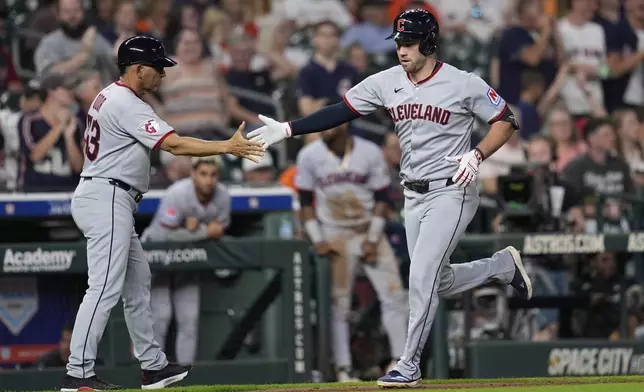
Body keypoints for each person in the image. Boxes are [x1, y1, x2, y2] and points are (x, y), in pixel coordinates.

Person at [248, 9, 532, 387]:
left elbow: (505, 119)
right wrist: (288, 128)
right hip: (412, 195)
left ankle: (409, 365)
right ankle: (501, 268)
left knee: (420, 277)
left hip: (453, 189)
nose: (401, 49)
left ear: (429, 42)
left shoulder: (461, 83)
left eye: (409, 42)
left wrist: (477, 154)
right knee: (437, 281)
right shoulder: (386, 81)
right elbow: (340, 111)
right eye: (398, 42)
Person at [61, 36, 262, 391]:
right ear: (138, 70)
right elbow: (175, 144)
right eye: (158, 68)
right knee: (104, 287)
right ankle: (77, 372)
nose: (163, 75)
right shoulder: (127, 103)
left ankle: (153, 366)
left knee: (137, 284)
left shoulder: (110, 94)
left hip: (109, 194)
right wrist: (227, 147)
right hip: (107, 195)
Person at [295, 123, 408, 382]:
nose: (322, 127)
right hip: (336, 233)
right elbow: (305, 201)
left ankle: (401, 361)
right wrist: (317, 237)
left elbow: (383, 198)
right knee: (340, 305)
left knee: (394, 296)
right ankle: (344, 368)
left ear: (343, 124)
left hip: (369, 229)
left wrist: (371, 237)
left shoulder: (368, 151)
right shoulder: (309, 155)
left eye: (328, 121)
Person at [141, 156, 231, 367]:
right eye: (203, 174)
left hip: (188, 258)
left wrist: (196, 231)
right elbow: (167, 237)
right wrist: (202, 231)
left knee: (189, 319)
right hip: (157, 257)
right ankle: (153, 373)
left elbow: (219, 231)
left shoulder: (223, 196)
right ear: (193, 174)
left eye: (213, 175)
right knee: (161, 317)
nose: (208, 180)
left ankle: (187, 380)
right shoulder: (178, 193)